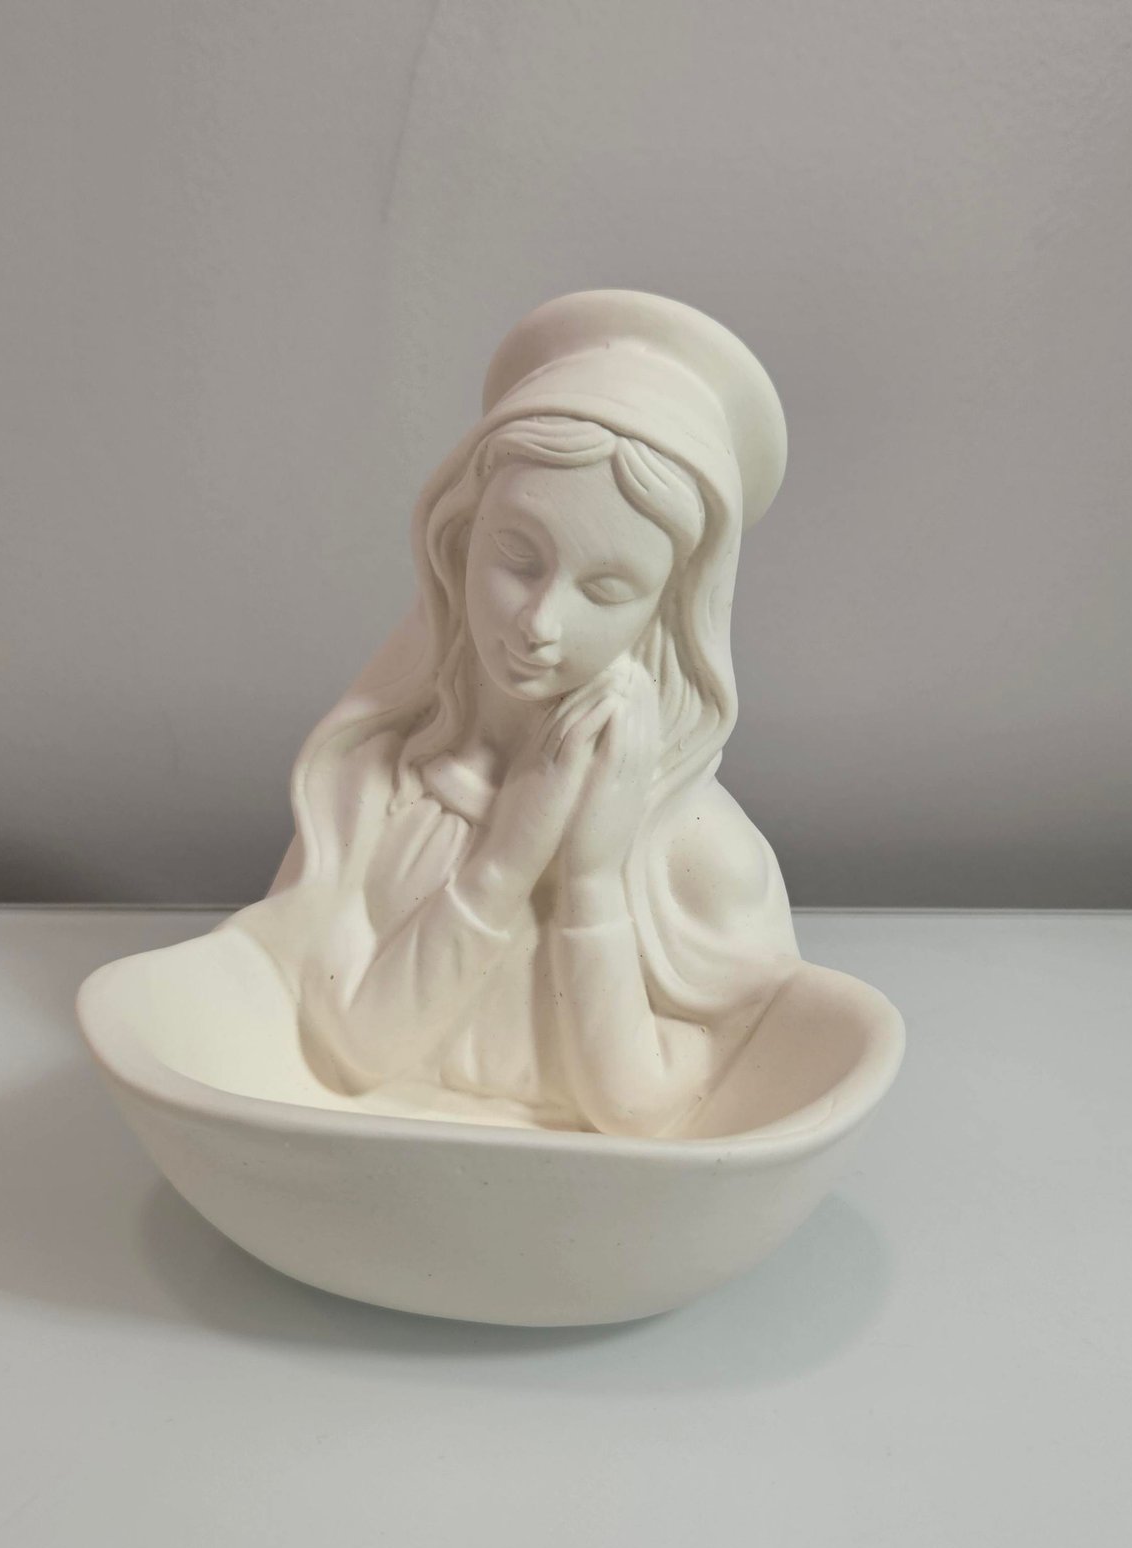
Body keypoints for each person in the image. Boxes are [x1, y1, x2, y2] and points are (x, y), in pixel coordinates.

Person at [231, 291, 801, 1136]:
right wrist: (503, 863)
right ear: (461, 539)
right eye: (517, 557)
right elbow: (350, 1050)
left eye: (607, 588)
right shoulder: (372, 792)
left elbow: (649, 1112)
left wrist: (592, 880)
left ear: (665, 611)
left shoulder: (703, 860)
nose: (540, 623)